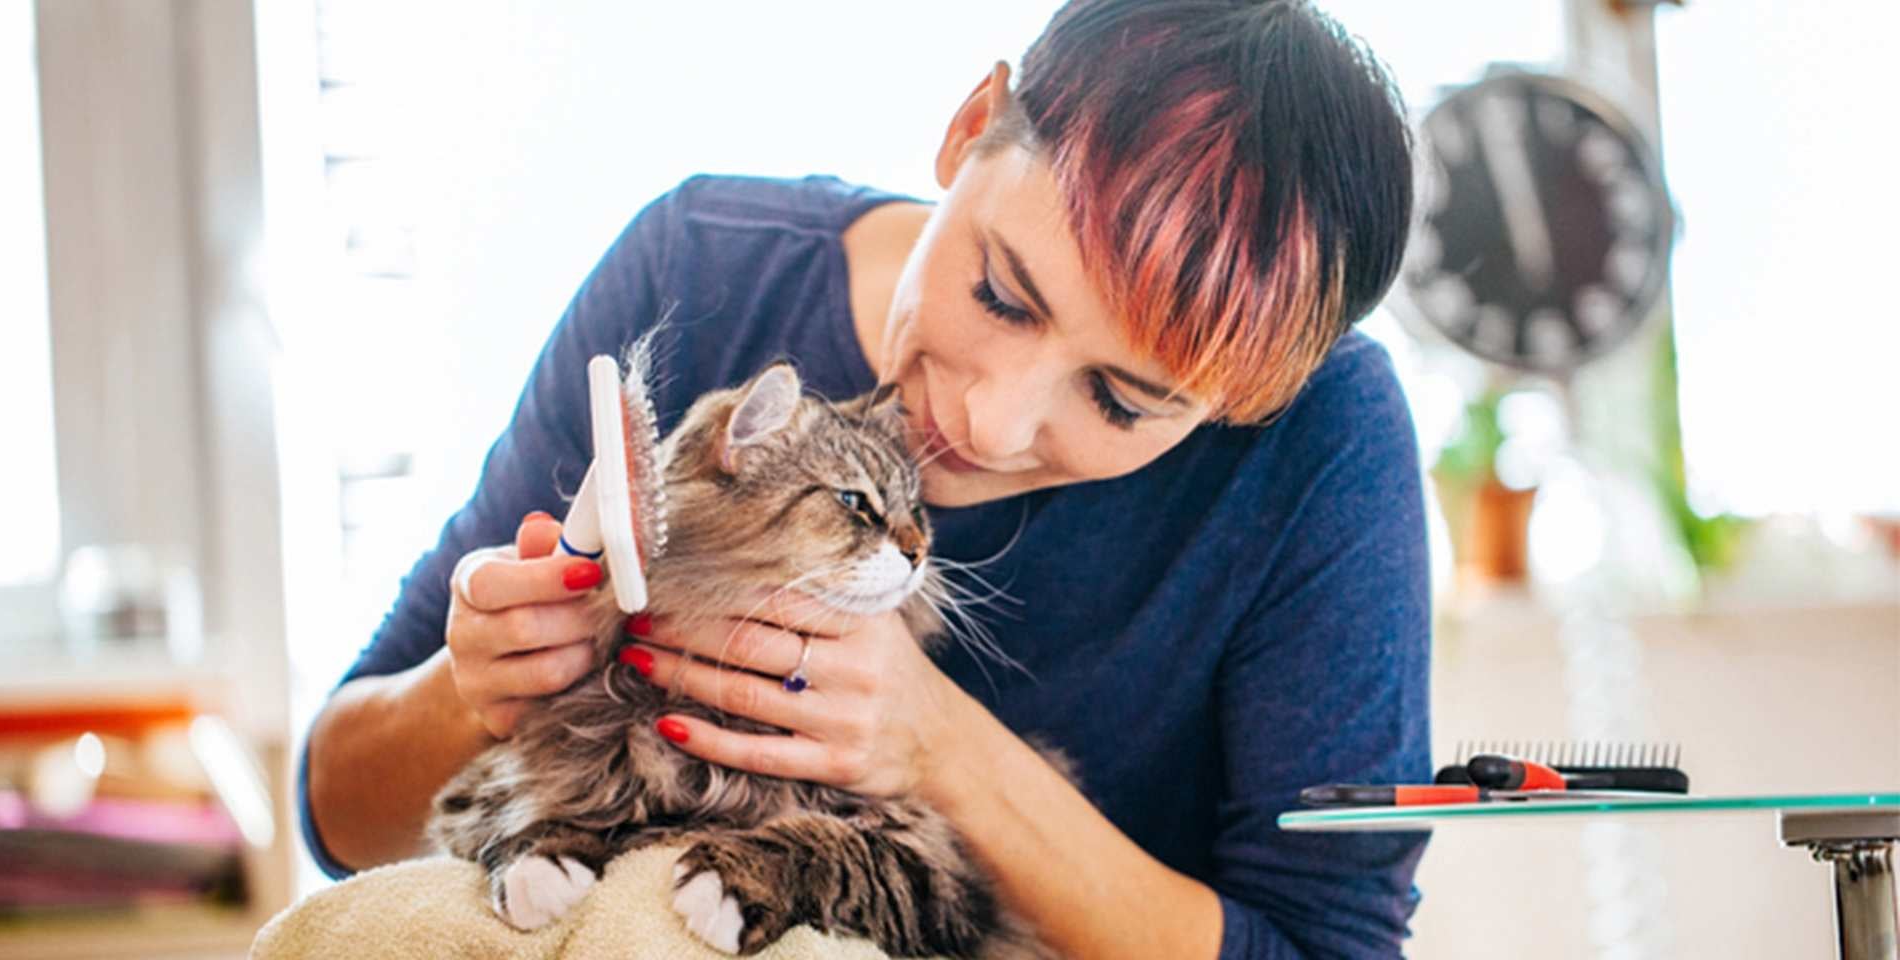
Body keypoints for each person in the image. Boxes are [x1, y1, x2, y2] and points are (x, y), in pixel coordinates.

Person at [301, 1, 1431, 957]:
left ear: (1253, 398)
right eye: (1001, 293)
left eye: (1122, 402)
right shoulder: (702, 270)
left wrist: (941, 748)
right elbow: (338, 814)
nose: (989, 421)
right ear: (970, 127)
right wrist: (474, 687)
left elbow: (1324, 941)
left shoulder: (1327, 441)